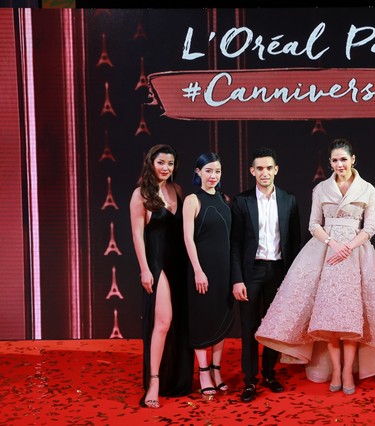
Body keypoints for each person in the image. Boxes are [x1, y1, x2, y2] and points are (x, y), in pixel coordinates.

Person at [256, 138, 375, 396]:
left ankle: (347, 373)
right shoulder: (321, 189)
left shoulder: (368, 189)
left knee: (350, 319)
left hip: (356, 255)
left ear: (353, 159)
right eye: (335, 160)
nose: (339, 164)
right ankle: (335, 371)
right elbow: (313, 225)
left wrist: (349, 247)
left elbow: (370, 228)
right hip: (325, 253)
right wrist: (333, 243)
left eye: (344, 159)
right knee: (329, 319)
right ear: (329, 162)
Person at [230, 147, 302, 403]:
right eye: (259, 168)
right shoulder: (241, 201)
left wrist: (293, 279)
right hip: (251, 271)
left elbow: (295, 242)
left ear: (276, 170)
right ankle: (249, 381)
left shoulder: (289, 200)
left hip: (279, 270)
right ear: (252, 171)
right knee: (249, 327)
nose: (265, 173)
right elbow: (234, 244)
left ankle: (269, 373)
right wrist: (237, 279)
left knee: (273, 326)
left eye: (269, 168)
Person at [129, 144, 194, 408]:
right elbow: (137, 235)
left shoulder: (177, 190)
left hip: (181, 264)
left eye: (170, 163)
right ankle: (153, 382)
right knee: (163, 322)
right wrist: (145, 269)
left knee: (180, 323)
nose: (166, 168)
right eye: (161, 163)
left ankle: (177, 378)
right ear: (151, 163)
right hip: (158, 264)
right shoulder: (140, 194)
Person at [183, 152, 234, 398]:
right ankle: (203, 372)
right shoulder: (192, 200)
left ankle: (216, 369)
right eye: (208, 171)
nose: (213, 176)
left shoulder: (225, 199)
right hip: (201, 271)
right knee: (203, 320)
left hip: (224, 271)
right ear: (198, 172)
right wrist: (197, 270)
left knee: (221, 320)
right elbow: (188, 238)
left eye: (217, 171)